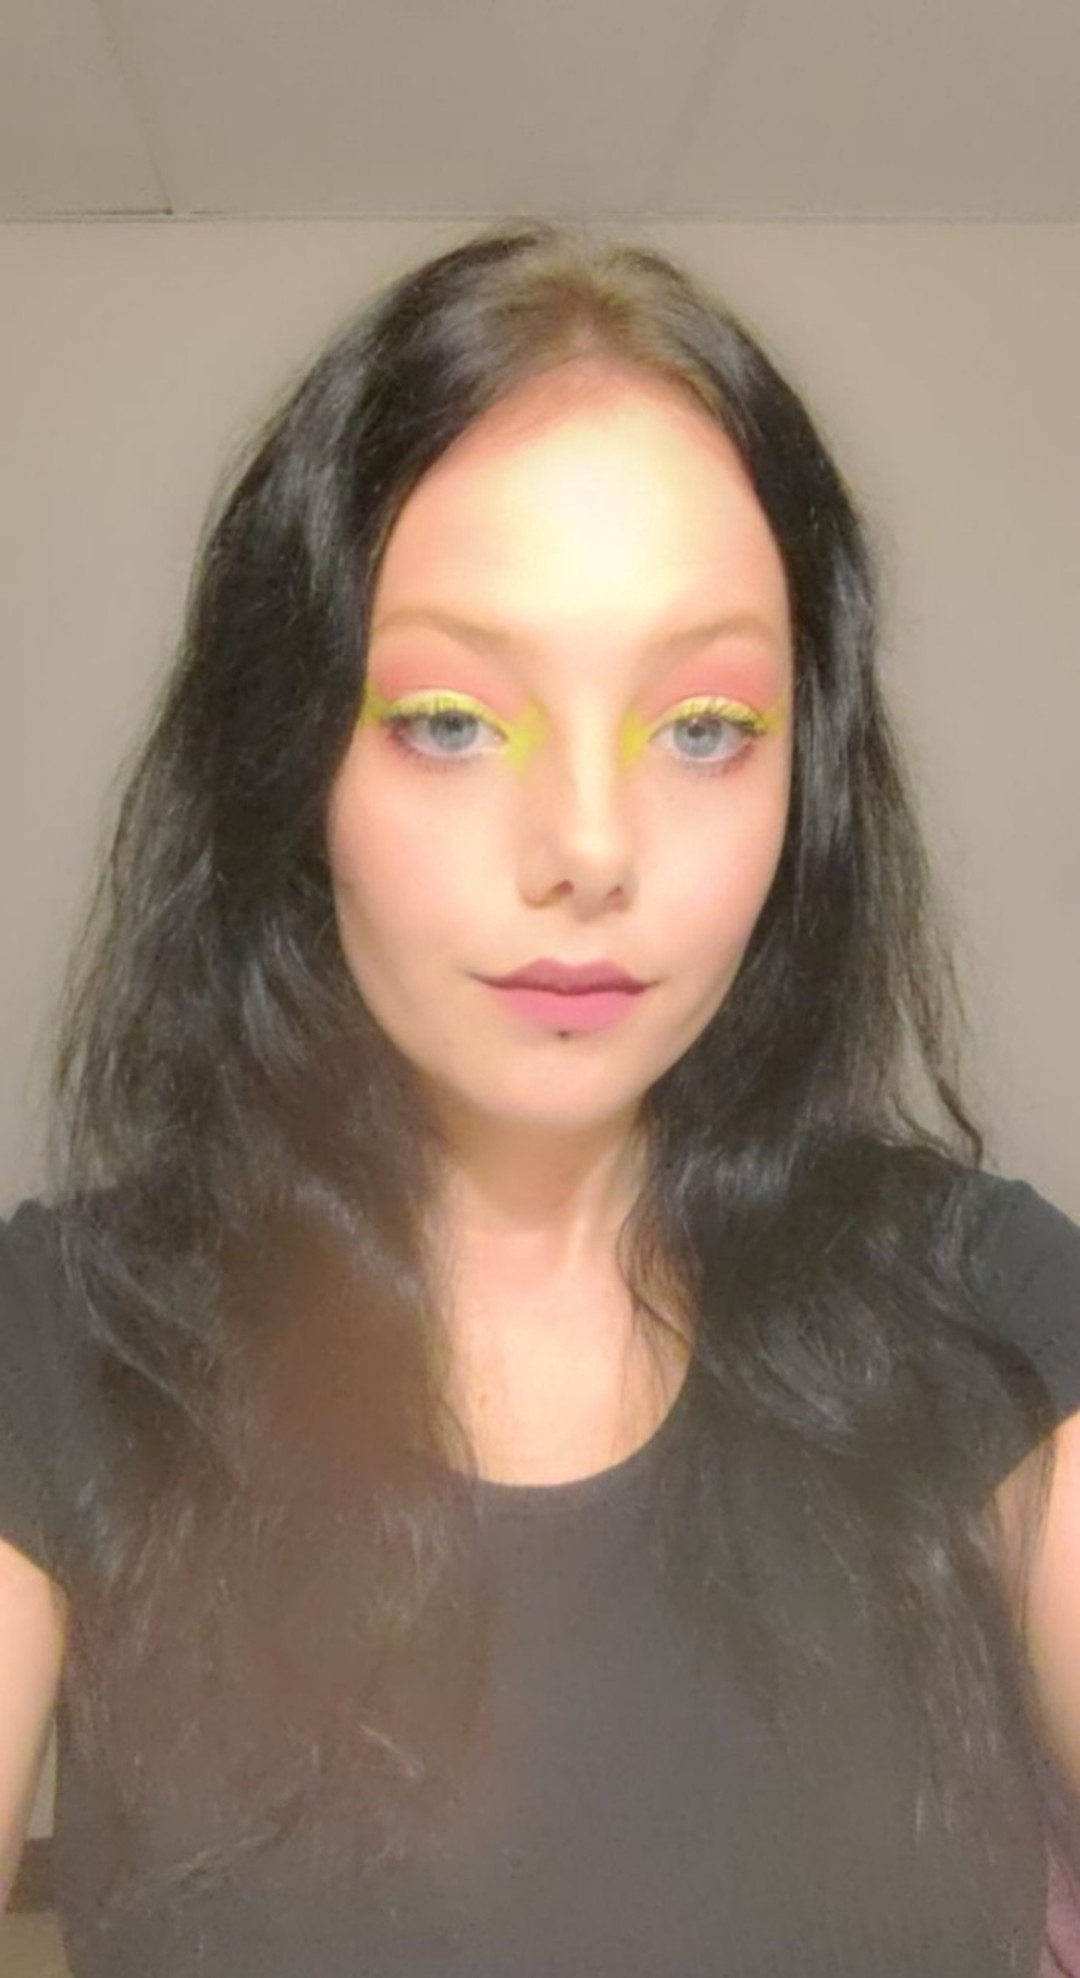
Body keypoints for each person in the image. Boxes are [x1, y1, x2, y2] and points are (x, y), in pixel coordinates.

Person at [1, 216, 1079, 1978]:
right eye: (450, 718)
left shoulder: (988, 1309)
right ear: (295, 759)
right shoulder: (60, 1348)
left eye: (704, 726)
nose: (589, 844)